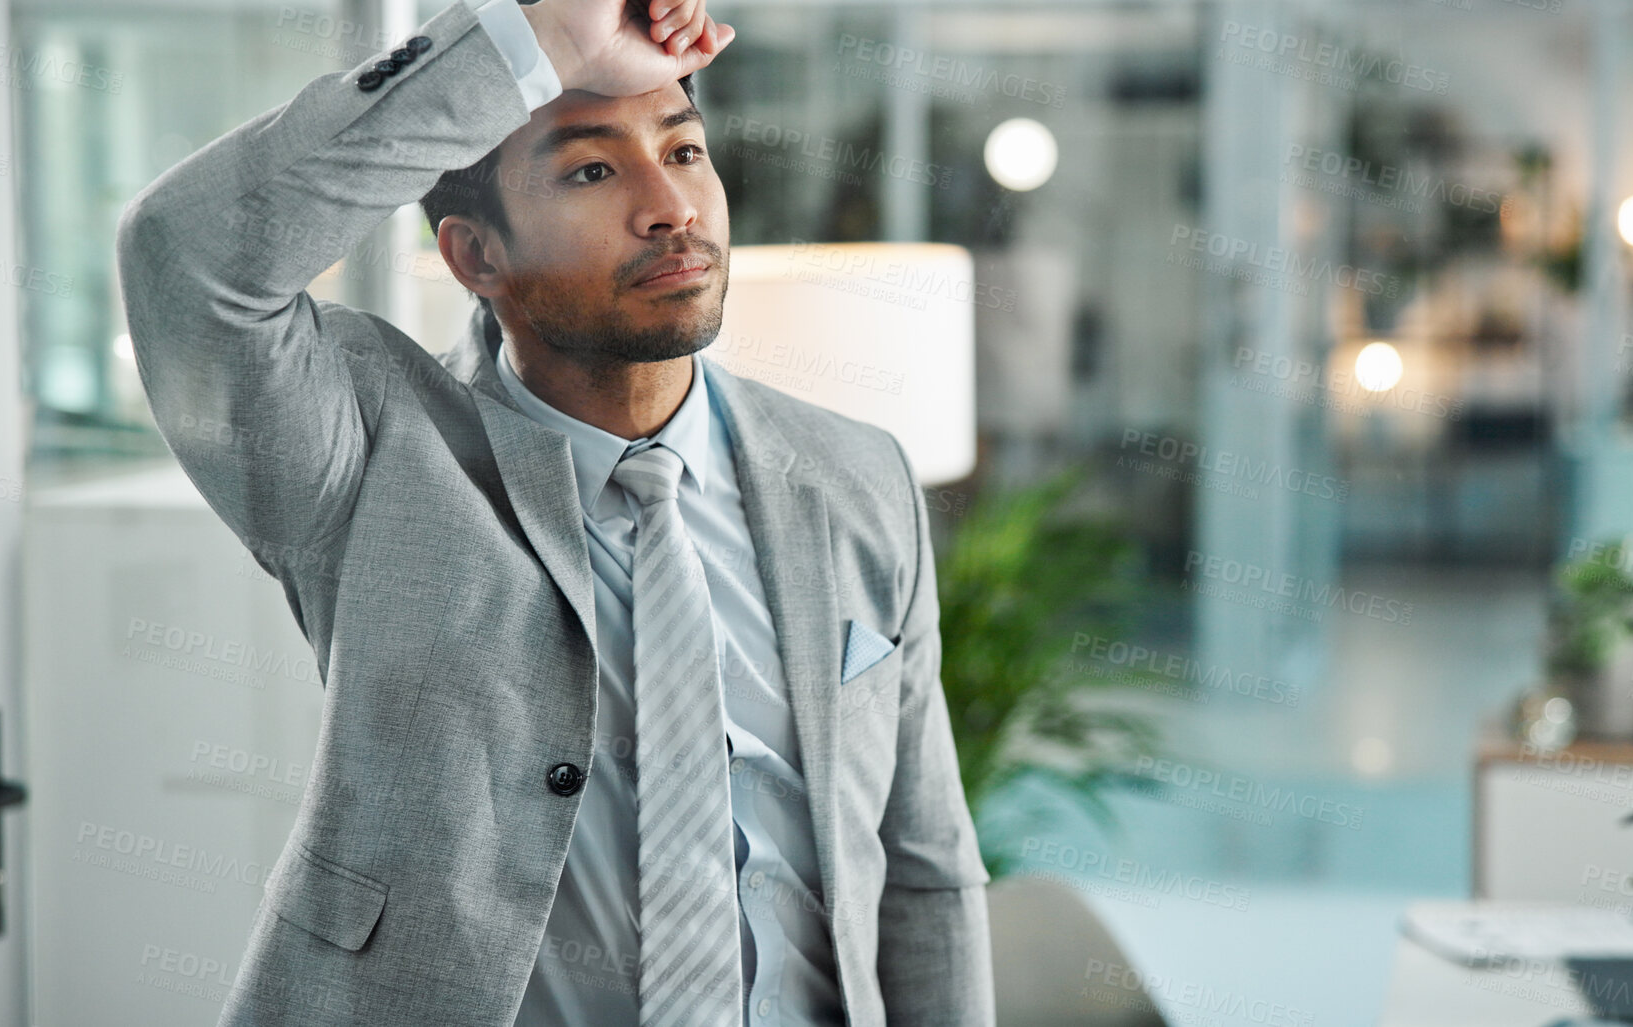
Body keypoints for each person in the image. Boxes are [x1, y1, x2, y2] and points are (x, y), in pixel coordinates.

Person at [112, 0, 993, 1024]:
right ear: (476, 257)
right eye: (592, 170)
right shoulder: (369, 453)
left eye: (686, 149)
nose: (672, 207)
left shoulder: (856, 475)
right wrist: (544, 42)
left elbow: (926, 869)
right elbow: (187, 253)